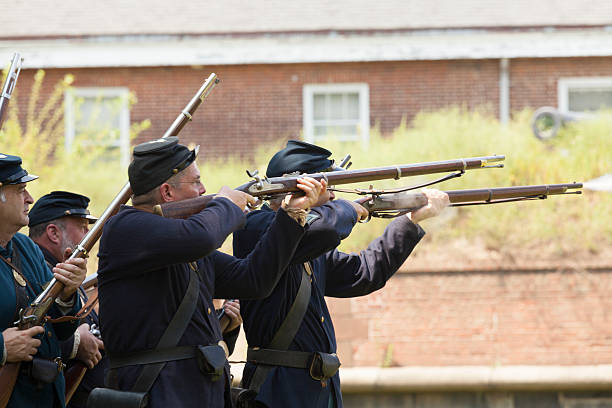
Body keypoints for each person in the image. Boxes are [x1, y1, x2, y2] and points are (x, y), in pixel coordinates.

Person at [96, 137, 324, 408]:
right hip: (157, 392)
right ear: (167, 192)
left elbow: (253, 281)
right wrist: (226, 204)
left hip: (200, 392)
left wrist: (290, 215)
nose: (204, 189)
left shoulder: (184, 243)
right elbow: (201, 237)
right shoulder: (127, 227)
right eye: (195, 182)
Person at [232, 140, 450, 408]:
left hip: (318, 390)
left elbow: (364, 273)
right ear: (303, 189)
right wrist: (352, 210)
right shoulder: (254, 226)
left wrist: (409, 221)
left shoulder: (303, 239)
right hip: (278, 389)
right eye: (329, 188)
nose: (334, 196)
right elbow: (326, 229)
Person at [0, 154, 88, 408]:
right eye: (20, 190)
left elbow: (59, 330)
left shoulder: (25, 246)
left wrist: (67, 293)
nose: (29, 199)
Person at [28, 191, 104, 408]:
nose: (88, 234)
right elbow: (24, 333)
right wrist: (75, 344)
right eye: (82, 227)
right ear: (53, 233)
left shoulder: (62, 272)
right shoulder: (39, 272)